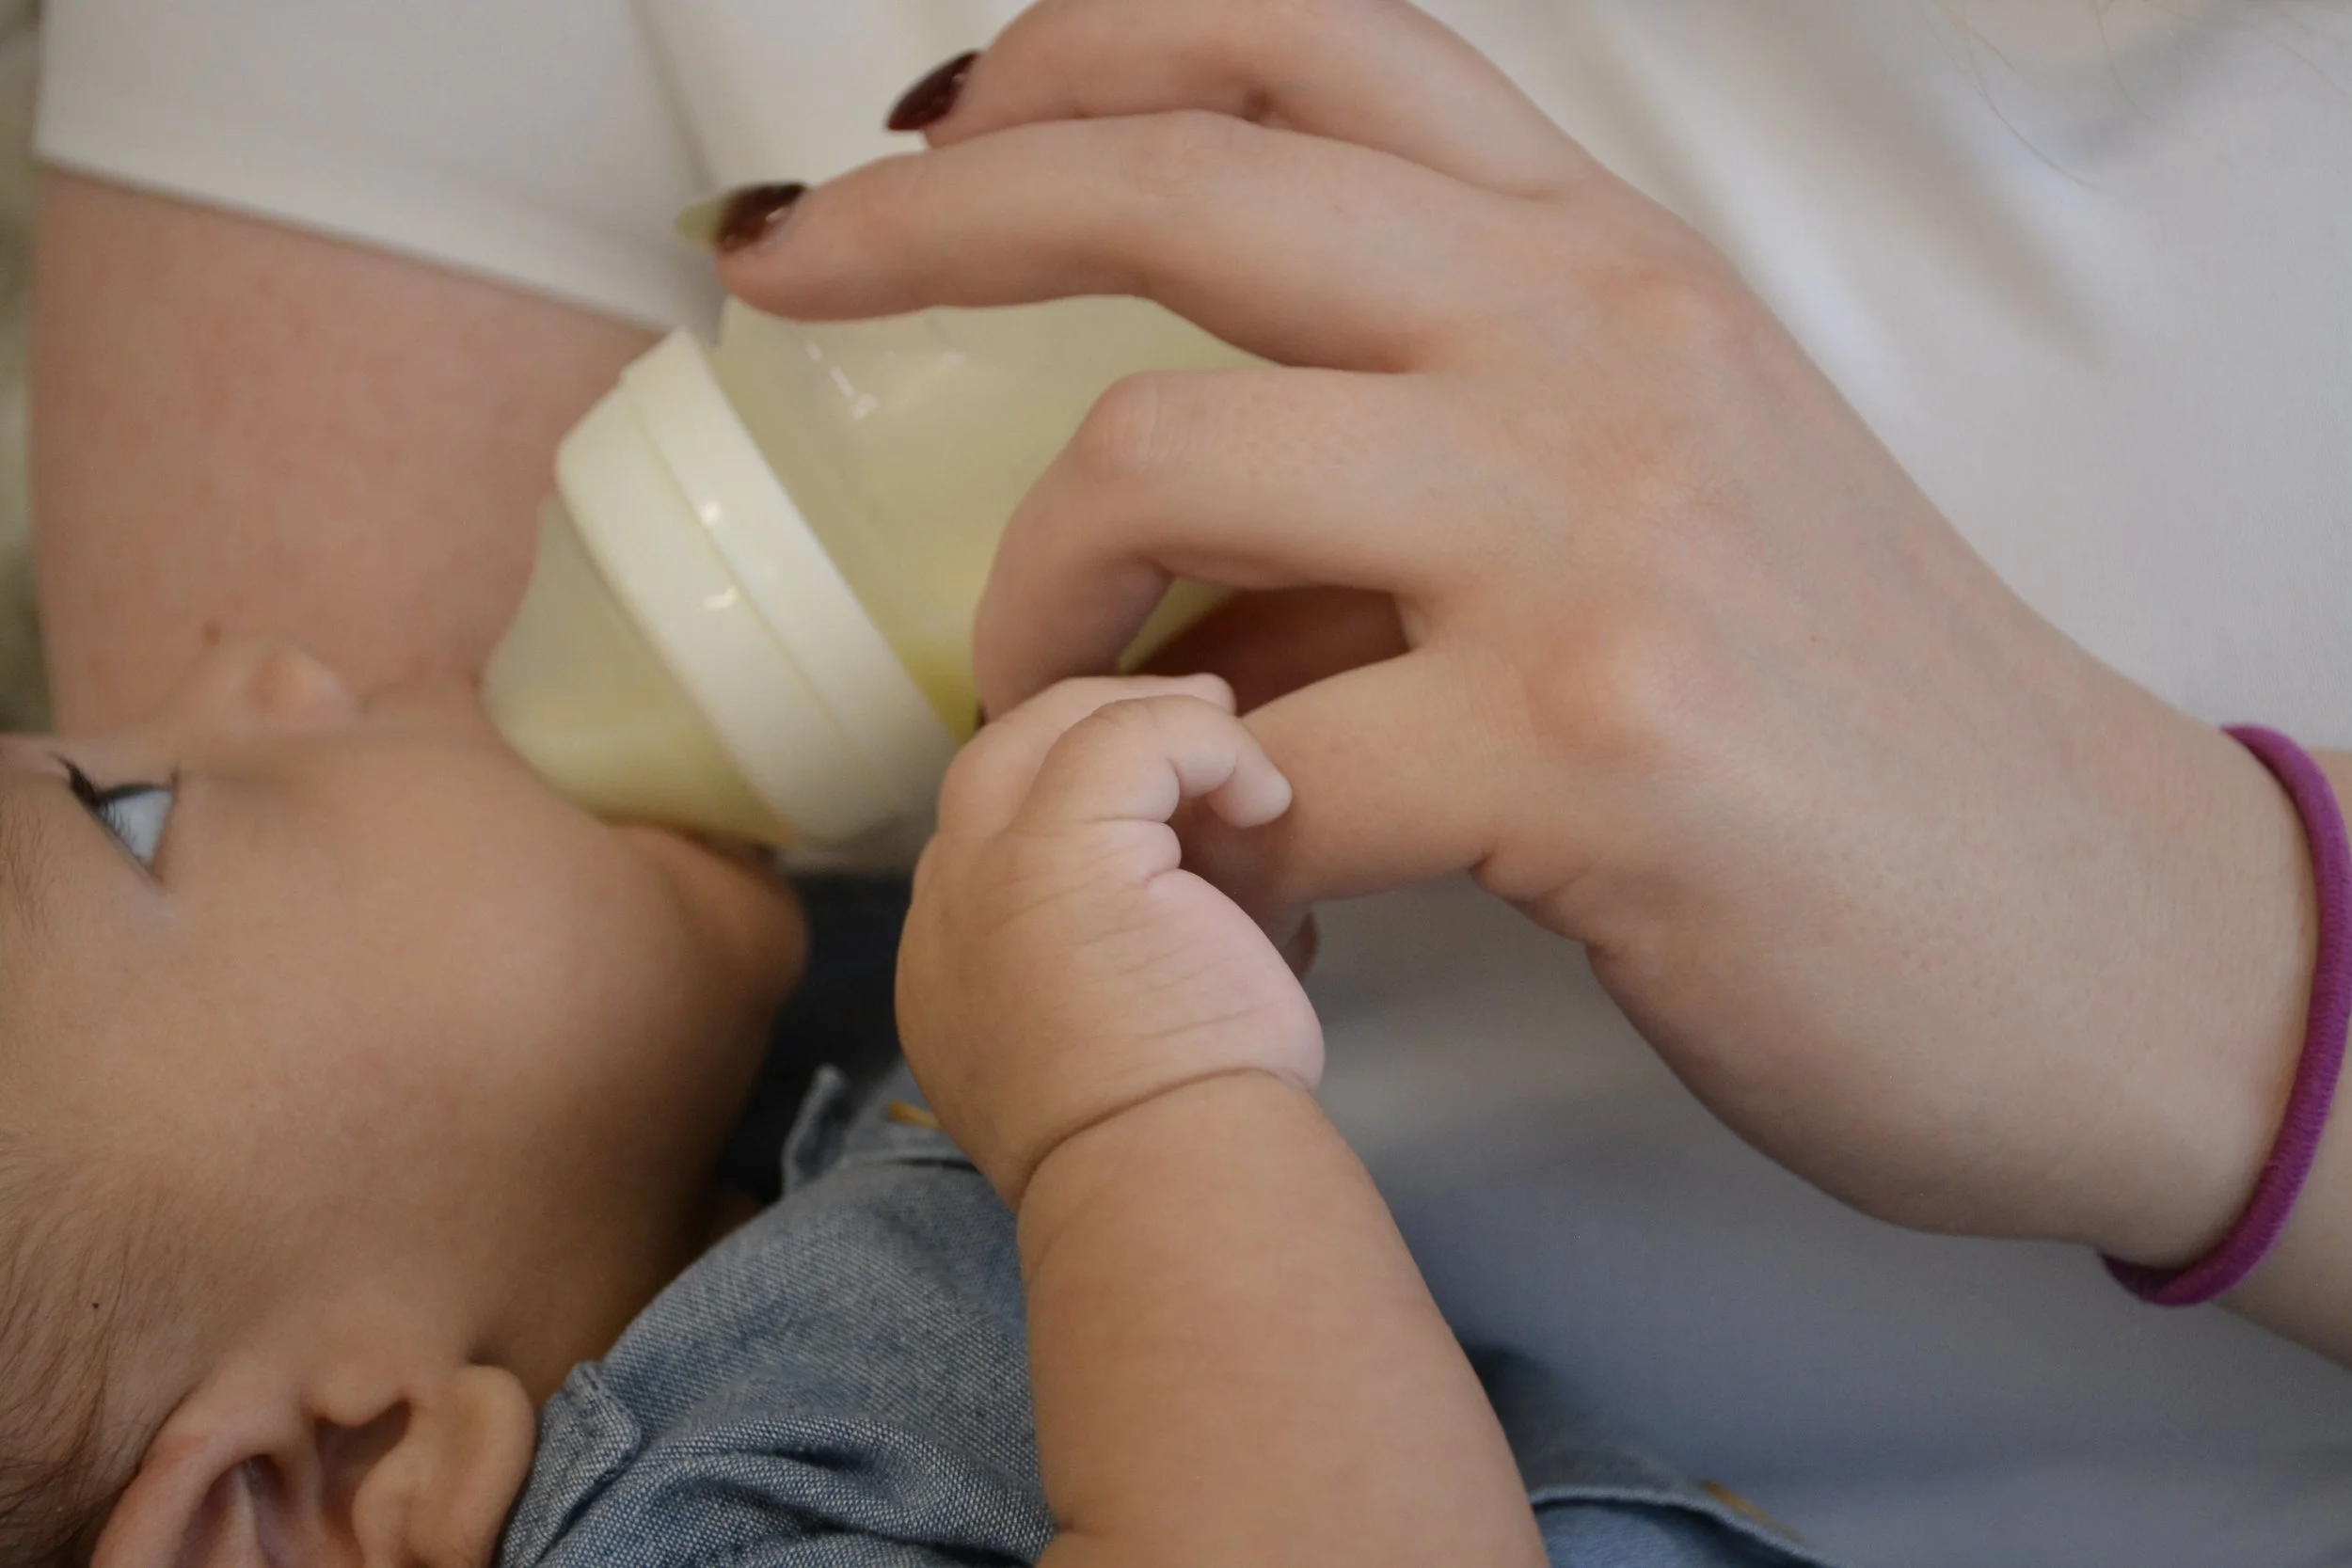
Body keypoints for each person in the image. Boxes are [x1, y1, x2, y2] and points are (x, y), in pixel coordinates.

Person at [26, 1, 2352, 1564]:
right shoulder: (723, 1509)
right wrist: (1144, 1122)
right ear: (298, 1498)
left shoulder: (695, 1195)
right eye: (124, 809)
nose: (255, 661)